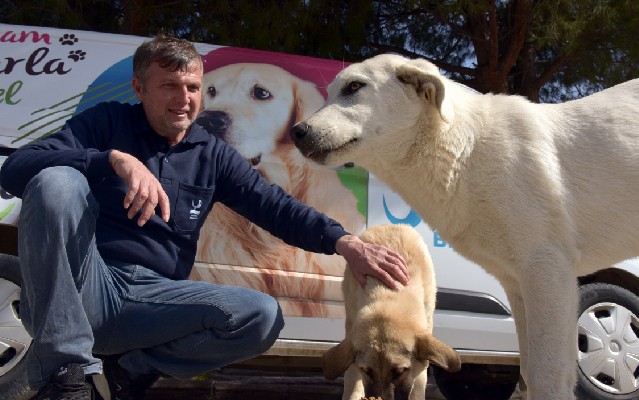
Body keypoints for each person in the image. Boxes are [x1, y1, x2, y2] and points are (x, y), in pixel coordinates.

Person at [0, 32, 409, 400]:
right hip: (88, 282)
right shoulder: (108, 121)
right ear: (139, 88)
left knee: (261, 316)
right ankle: (67, 371)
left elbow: (274, 205)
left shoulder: (211, 153)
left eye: (193, 87)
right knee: (56, 181)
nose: (185, 99)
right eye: (170, 87)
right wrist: (111, 160)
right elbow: (18, 167)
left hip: (153, 300)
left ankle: (126, 373)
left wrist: (344, 242)